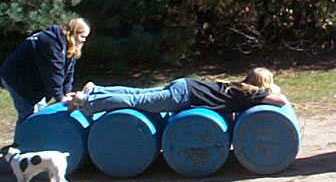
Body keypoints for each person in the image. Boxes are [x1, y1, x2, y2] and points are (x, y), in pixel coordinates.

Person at [69, 67, 289, 118]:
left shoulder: (242, 87)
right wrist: (274, 90)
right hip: (183, 96)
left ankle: (96, 89)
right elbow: (280, 101)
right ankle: (86, 101)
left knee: (139, 93)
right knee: (137, 101)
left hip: (185, 86)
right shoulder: (254, 95)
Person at [0, 18, 91, 126]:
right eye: (82, 36)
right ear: (73, 33)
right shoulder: (50, 42)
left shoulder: (69, 45)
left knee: (39, 114)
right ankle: (23, 141)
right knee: (30, 116)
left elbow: (68, 70)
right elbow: (53, 72)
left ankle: (35, 139)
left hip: (33, 80)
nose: (84, 40)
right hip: (17, 78)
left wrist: (67, 92)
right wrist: (60, 96)